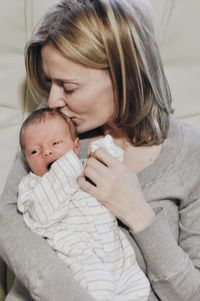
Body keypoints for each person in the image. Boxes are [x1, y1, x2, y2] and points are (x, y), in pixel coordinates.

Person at [0, 0, 200, 300]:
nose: (53, 99)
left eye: (68, 87)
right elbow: (9, 221)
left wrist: (139, 214)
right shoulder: (52, 129)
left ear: (126, 77)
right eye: (49, 82)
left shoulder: (189, 155)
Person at [17, 107, 150, 301]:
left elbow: (115, 175)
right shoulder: (33, 185)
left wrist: (104, 152)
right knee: (98, 287)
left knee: (136, 285)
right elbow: (42, 215)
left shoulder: (87, 168)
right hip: (78, 257)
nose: (46, 152)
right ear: (27, 161)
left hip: (114, 250)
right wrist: (65, 166)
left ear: (76, 147)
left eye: (55, 143)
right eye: (34, 151)